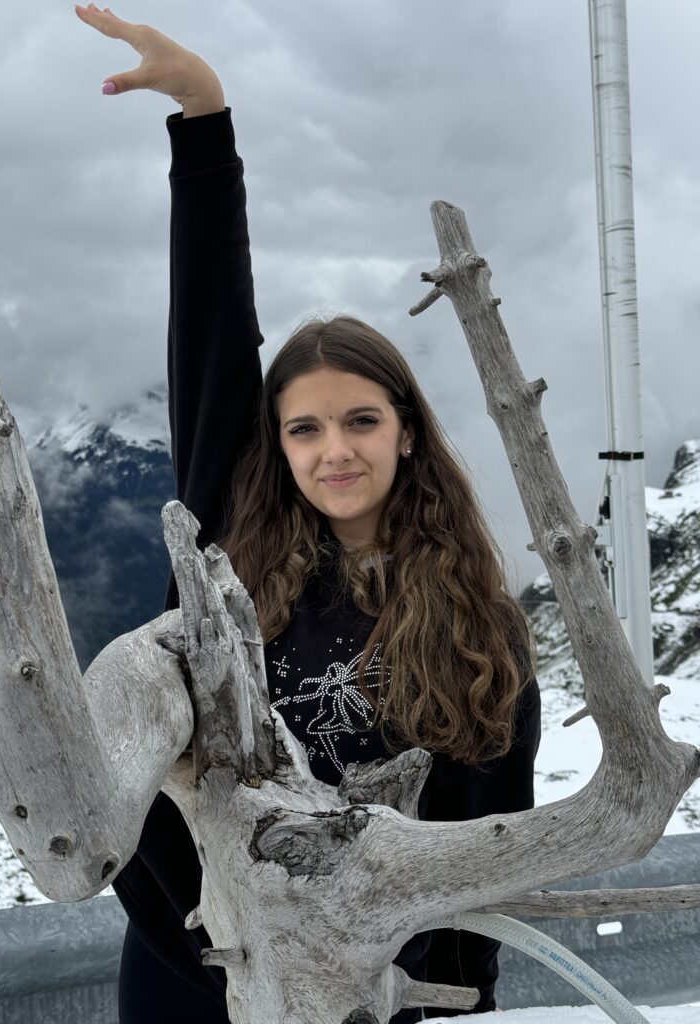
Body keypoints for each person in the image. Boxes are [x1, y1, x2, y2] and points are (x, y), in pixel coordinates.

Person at [75, 6, 542, 1022]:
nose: (336, 450)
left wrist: (458, 998)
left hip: (371, 995)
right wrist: (204, 121)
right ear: (277, 448)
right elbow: (212, 334)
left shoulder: (478, 626)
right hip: (195, 975)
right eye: (305, 428)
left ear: (407, 432)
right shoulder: (227, 550)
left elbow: (493, 837)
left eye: (362, 420)